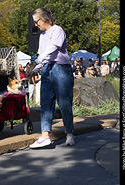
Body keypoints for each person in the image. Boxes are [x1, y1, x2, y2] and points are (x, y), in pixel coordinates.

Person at [28, 8, 75, 149]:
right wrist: (34, 69)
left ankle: (69, 133)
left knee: (64, 103)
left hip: (60, 68)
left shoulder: (57, 30)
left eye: (36, 21)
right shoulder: (42, 36)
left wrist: (36, 63)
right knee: (46, 103)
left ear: (44, 19)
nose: (36, 25)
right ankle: (44, 135)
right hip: (47, 69)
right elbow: (43, 56)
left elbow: (53, 48)